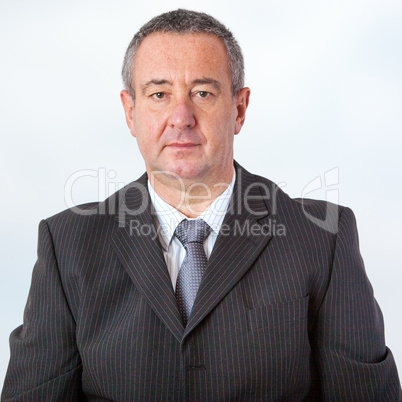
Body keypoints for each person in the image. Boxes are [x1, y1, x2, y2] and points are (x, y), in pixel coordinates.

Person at [2, 9, 401, 401]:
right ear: (130, 111)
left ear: (239, 109)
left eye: (202, 93)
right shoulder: (67, 242)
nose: (181, 117)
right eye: (159, 94)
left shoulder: (323, 236)